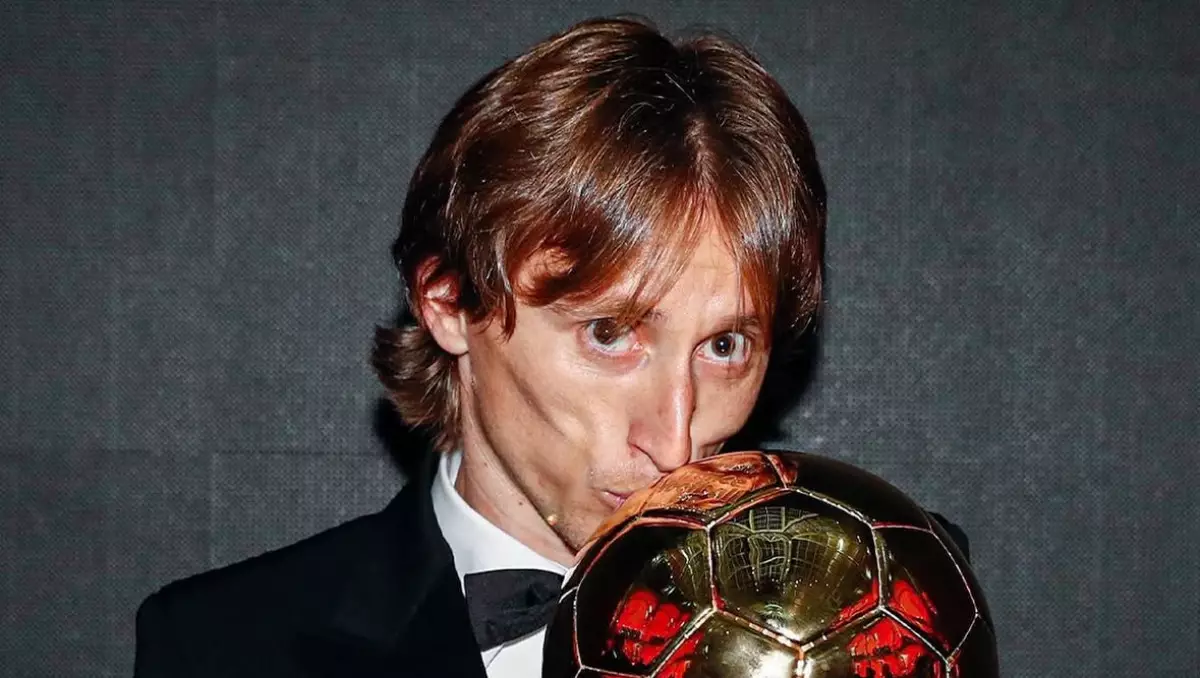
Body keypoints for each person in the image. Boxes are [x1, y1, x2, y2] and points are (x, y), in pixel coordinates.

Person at [135, 15, 960, 678]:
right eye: (610, 334)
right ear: (449, 303)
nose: (676, 443)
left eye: (724, 346)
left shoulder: (898, 600)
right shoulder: (226, 646)